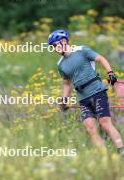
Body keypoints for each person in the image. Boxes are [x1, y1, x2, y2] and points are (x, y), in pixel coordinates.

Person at [48, 29, 124, 159]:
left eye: (56, 45)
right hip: (83, 98)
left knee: (105, 122)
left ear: (64, 41)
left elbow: (101, 59)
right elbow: (67, 84)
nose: (55, 48)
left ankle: (121, 151)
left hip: (97, 92)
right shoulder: (60, 64)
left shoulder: (82, 50)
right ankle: (106, 158)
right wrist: (64, 100)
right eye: (53, 47)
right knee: (90, 128)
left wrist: (110, 73)